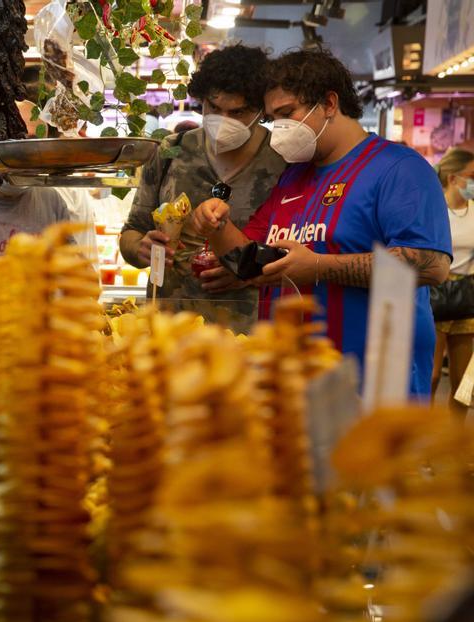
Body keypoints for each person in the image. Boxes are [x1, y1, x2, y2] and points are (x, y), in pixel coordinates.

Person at [190, 49, 452, 397]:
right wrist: (216, 225)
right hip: (292, 387)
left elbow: (431, 266)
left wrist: (318, 267)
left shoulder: (398, 169)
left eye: (287, 114)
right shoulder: (293, 178)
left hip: (373, 387)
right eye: (272, 119)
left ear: (329, 103)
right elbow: (247, 261)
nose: (279, 128)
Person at [119, 44, 286, 333]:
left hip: (246, 331)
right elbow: (131, 232)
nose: (224, 121)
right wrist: (141, 248)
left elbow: (296, 254)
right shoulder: (172, 151)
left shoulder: (282, 160)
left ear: (261, 110)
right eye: (214, 108)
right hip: (167, 327)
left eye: (238, 112)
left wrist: (250, 273)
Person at [431, 148, 474, 411]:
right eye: (471, 175)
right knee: (431, 376)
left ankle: (452, 446)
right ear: (453, 178)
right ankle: (421, 439)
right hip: (435, 293)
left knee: (462, 386)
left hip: (466, 296)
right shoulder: (434, 209)